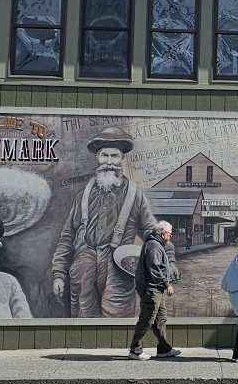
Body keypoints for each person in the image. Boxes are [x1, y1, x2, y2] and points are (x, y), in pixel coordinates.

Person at [36, 128, 159, 318]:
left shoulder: (135, 196)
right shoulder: (82, 197)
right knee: (84, 319)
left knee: (117, 318)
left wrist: (168, 262)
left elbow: (153, 233)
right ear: (97, 158)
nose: (109, 161)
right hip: (83, 268)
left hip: (118, 267)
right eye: (104, 155)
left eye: (114, 156)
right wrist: (59, 274)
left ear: (122, 159)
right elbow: (67, 236)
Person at [127, 221, 180, 360]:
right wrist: (167, 284)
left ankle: (164, 349)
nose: (171, 236)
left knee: (160, 319)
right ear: (163, 234)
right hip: (151, 290)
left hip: (156, 289)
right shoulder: (154, 247)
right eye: (170, 233)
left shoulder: (156, 245)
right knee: (146, 320)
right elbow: (154, 269)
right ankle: (135, 350)